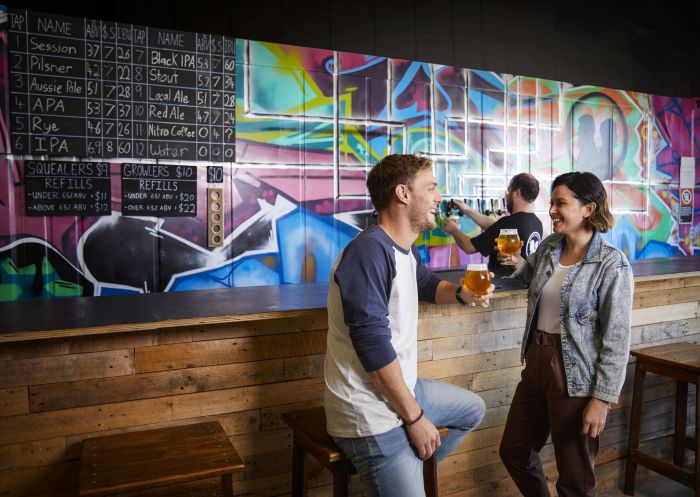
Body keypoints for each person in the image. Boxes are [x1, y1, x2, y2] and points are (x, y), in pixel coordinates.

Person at [324, 154, 489, 497]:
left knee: (473, 409)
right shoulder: (368, 252)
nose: (439, 197)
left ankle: (409, 467)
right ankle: (403, 467)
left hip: (402, 392)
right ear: (403, 194)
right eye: (431, 187)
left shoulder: (403, 249)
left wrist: (463, 295)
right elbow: (371, 345)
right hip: (368, 413)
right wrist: (415, 420)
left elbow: (427, 284)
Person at [498, 171, 634, 497]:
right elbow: (526, 276)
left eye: (561, 203)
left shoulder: (611, 265)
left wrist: (601, 399)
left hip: (576, 375)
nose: (552, 210)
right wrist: (513, 263)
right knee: (514, 451)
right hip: (536, 364)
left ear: (588, 208)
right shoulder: (548, 247)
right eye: (552, 203)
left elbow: (616, 339)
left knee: (575, 478)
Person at [443, 173, 543, 275]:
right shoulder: (536, 223)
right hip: (522, 286)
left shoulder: (509, 223)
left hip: (505, 286)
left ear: (517, 193)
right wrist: (467, 210)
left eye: (509, 191)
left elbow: (469, 247)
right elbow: (495, 227)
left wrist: (454, 230)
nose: (506, 195)